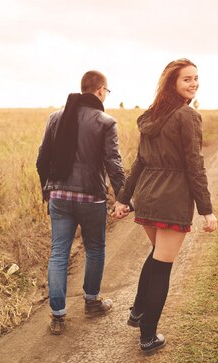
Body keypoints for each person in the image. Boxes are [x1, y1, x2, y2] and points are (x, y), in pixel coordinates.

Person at [113, 59, 218, 353]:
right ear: (172, 83)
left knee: (158, 255)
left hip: (147, 196)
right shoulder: (188, 116)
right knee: (162, 265)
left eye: (196, 78)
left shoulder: (152, 115)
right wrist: (206, 209)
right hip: (171, 199)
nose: (193, 83)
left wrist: (125, 197)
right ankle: (148, 336)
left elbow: (139, 162)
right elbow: (194, 165)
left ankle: (137, 312)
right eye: (186, 79)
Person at [36, 70, 126, 335]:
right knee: (95, 248)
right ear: (100, 91)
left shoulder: (56, 117)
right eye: (107, 92)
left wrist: (47, 191)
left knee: (59, 252)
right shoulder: (105, 121)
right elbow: (113, 163)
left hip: (59, 196)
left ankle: (57, 316)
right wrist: (123, 196)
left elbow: (42, 159)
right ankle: (92, 302)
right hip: (90, 198)